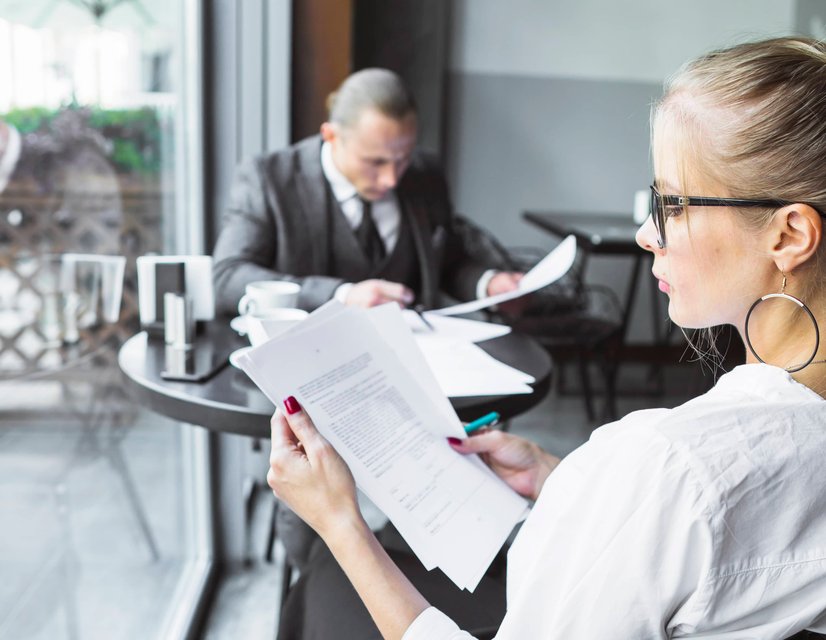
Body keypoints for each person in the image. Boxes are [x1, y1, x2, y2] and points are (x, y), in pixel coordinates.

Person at [266, 36, 826, 639]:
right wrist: (566, 485)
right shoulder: (669, 479)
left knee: (326, 580)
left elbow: (688, 509)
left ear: (790, 234)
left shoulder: (667, 466)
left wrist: (340, 522)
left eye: (672, 204)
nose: (646, 233)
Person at [211, 67, 524, 317]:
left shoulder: (424, 174)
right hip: (304, 368)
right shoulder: (269, 178)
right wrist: (342, 296)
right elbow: (227, 277)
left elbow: (448, 263)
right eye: (375, 162)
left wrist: (488, 285)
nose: (390, 179)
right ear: (331, 136)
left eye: (402, 159)